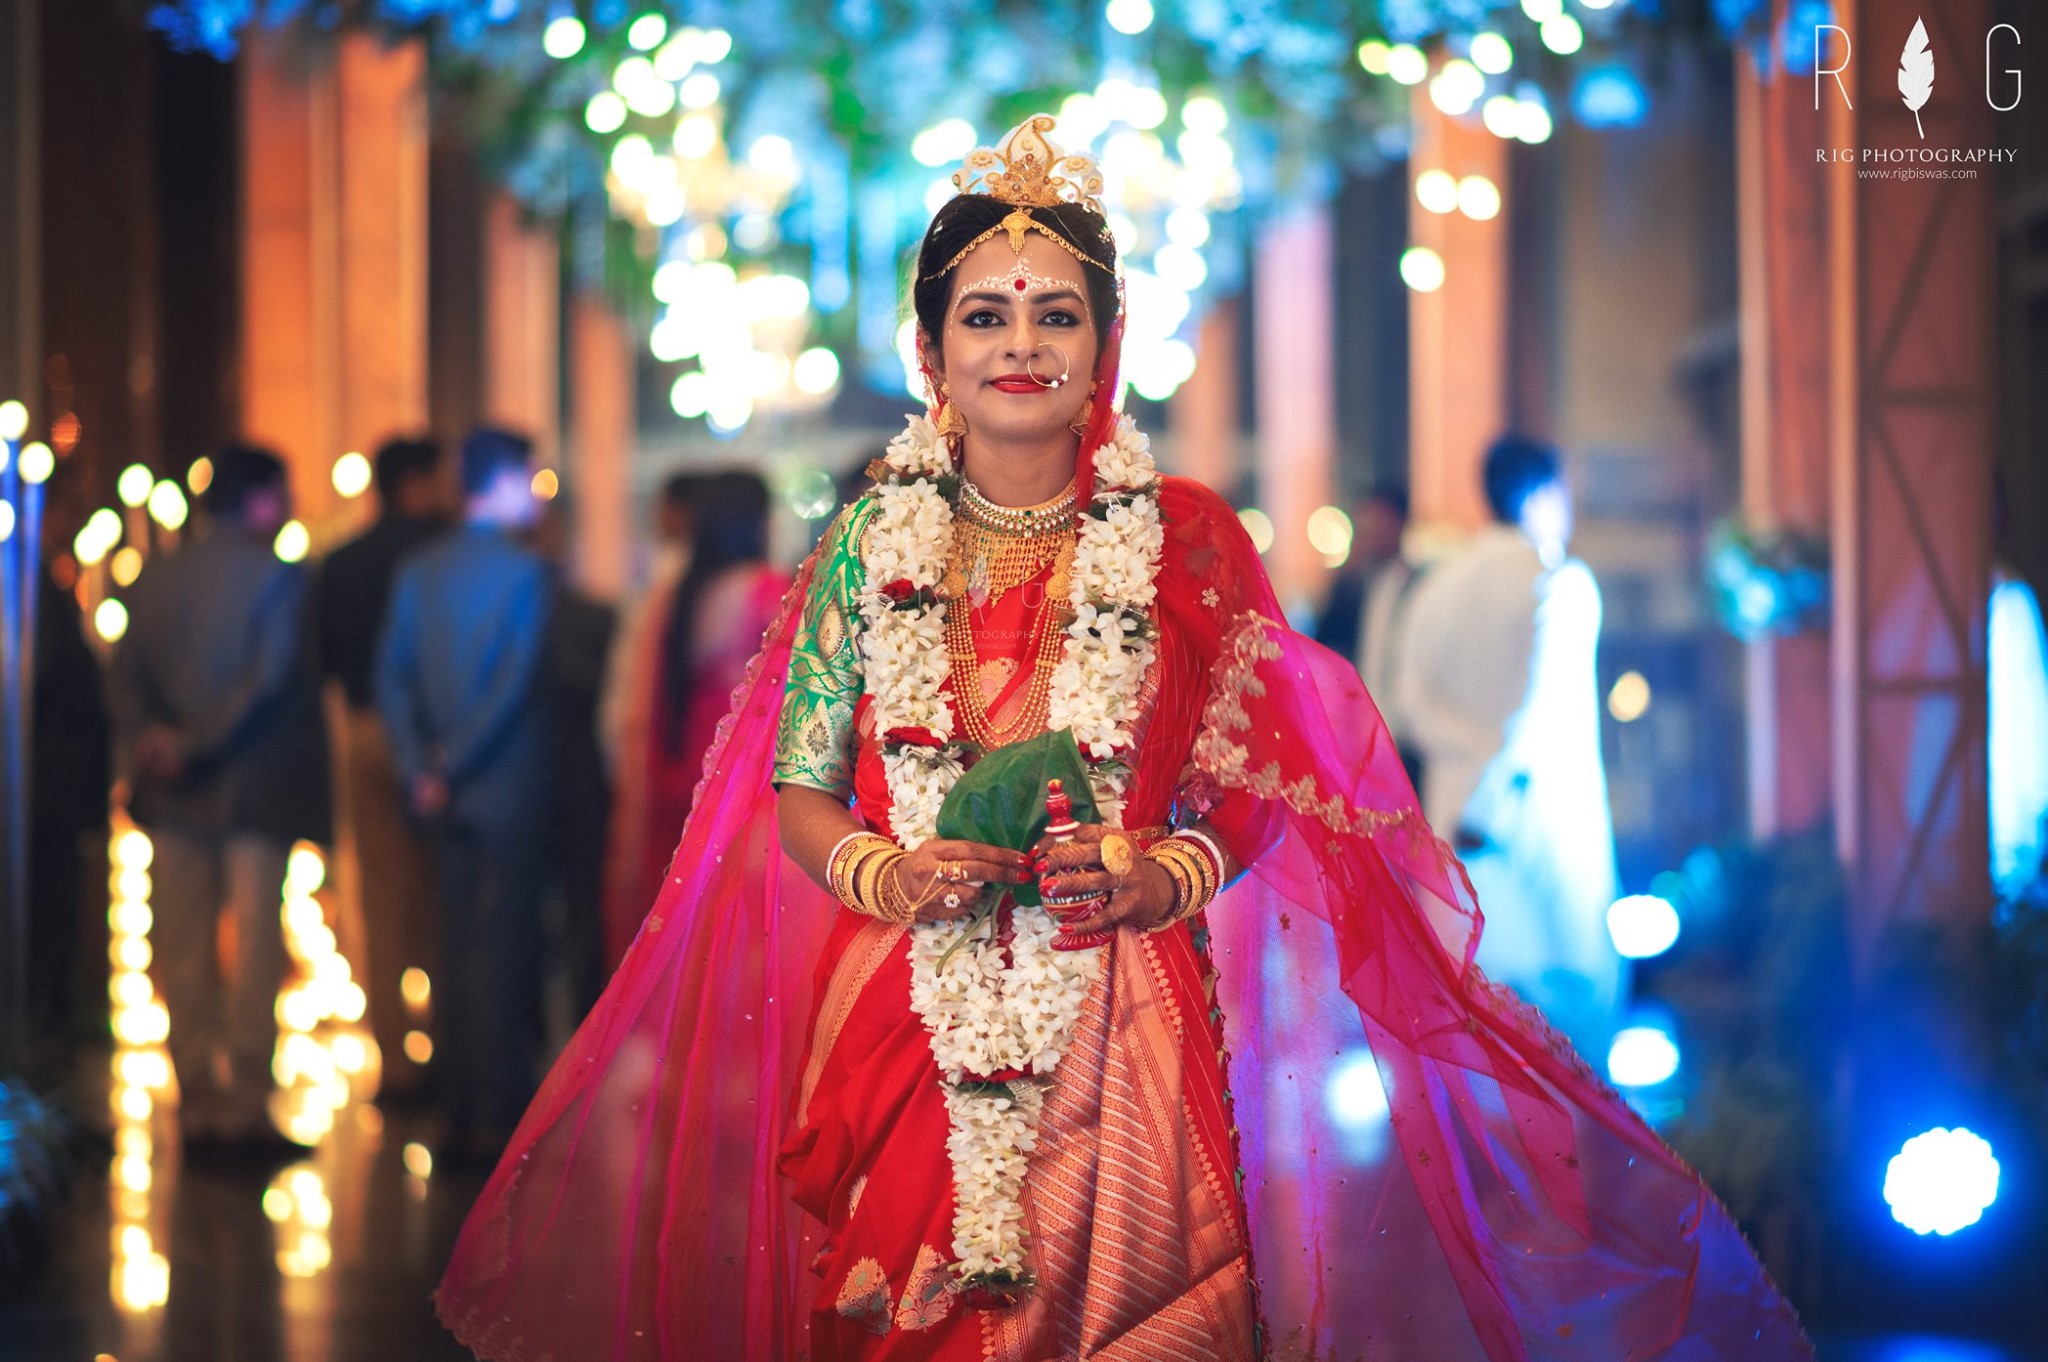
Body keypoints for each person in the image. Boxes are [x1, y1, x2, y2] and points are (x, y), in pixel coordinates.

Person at [437, 117, 1807, 1362]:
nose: (1020, 344)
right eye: (985, 315)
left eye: (1056, 314)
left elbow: (1262, 788)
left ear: (1106, 341)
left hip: (1129, 1003)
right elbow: (800, 789)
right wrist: (889, 873)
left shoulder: (1189, 541)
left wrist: (1168, 874)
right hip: (913, 999)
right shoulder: (869, 541)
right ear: (932, 352)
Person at [110, 444, 330, 1152]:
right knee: (256, 951)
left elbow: (122, 673)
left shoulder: (155, 574)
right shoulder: (280, 578)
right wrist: (199, 741)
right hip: (250, 788)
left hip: (172, 789)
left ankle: (195, 1105)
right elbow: (265, 683)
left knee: (180, 947)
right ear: (261, 499)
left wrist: (155, 739)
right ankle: (243, 1107)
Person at [1393, 434, 1624, 1052]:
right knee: (1571, 1026)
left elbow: (1409, 703)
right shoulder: (1560, 583)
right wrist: (1488, 800)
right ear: (1546, 493)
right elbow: (1538, 713)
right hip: (1538, 825)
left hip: (1454, 828)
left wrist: (1466, 765)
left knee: (1475, 1026)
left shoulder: (1436, 588)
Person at [377, 428, 551, 1160]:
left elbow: (392, 676)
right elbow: (512, 685)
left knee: (451, 946)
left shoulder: (421, 569)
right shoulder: (527, 572)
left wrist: (423, 764)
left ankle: (455, 1107)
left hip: (437, 792)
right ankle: (496, 1113)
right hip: (502, 784)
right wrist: (459, 761)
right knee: (503, 947)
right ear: (504, 482)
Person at [601, 470, 789, 969]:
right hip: (745, 780)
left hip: (683, 772)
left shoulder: (673, 597)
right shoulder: (769, 592)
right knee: (739, 949)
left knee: (686, 943)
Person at [316, 435, 449, 1098]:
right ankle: (447, 1045)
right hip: (432, 737)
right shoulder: (435, 558)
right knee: (436, 891)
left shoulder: (339, 562)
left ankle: (394, 1062)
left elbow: (322, 654)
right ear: (414, 484)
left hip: (361, 726)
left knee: (378, 895)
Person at [1313, 482, 1418, 773]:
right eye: (1367, 525)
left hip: (1405, 735)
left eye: (1381, 523)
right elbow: (1324, 649)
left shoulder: (1420, 587)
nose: (1374, 534)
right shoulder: (1349, 588)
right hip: (1355, 736)